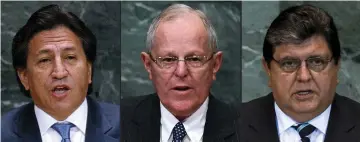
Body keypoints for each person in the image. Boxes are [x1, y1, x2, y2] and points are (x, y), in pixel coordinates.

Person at [240, 4, 360, 142]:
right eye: (289, 63)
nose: (304, 76)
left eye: (316, 62)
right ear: (268, 69)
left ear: (337, 65)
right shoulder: (232, 127)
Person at [121, 3, 239, 142]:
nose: (181, 71)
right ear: (148, 65)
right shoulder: (120, 120)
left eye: (194, 59)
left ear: (215, 64)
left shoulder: (243, 129)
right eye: (168, 59)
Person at [1, 4, 120, 142]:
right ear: (24, 77)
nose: (59, 72)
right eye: (45, 60)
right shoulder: (3, 134)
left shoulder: (126, 125)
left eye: (70, 57)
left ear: (89, 70)